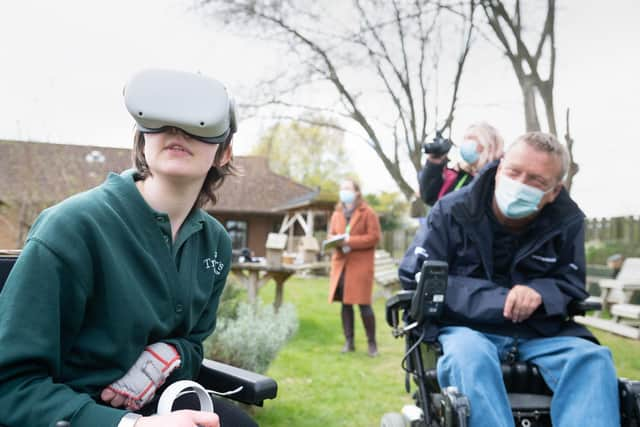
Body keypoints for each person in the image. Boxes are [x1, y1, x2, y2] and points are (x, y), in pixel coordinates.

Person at [0, 69, 257, 427]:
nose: (178, 129)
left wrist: (169, 355)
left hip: (161, 403)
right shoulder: (73, 227)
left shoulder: (214, 243)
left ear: (224, 152)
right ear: (140, 136)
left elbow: (194, 342)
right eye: (162, 120)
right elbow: (11, 387)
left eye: (198, 122)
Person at [399, 132, 620, 426]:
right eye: (514, 172)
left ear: (555, 190)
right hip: (466, 328)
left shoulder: (568, 221)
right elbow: (418, 277)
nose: (520, 185)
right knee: (469, 358)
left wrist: (541, 291)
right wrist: (500, 299)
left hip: (537, 331)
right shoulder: (452, 210)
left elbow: (571, 282)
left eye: (536, 181)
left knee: (592, 360)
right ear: (500, 166)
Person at [327, 178, 382, 357]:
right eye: (342, 188)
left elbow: (374, 237)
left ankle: (372, 344)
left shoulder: (368, 212)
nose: (344, 191)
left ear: (357, 192)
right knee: (345, 304)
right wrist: (334, 242)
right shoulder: (337, 213)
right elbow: (332, 234)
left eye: (348, 188)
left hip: (360, 265)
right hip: (341, 264)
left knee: (364, 305)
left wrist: (351, 241)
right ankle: (349, 341)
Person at [418, 122, 504, 206]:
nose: (466, 143)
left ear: (490, 146)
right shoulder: (458, 175)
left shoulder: (499, 179)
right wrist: (434, 161)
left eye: (472, 138)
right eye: (465, 139)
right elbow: (430, 197)